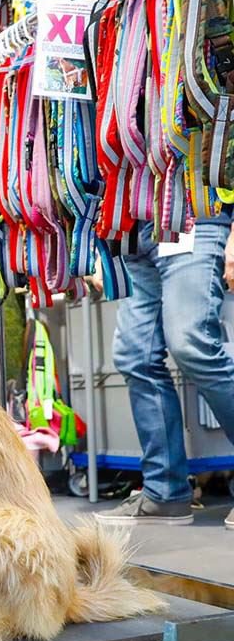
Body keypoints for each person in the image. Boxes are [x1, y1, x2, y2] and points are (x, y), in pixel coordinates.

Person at [95, 208, 234, 528]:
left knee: (191, 343)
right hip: (132, 227)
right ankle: (164, 494)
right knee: (134, 356)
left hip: (192, 213)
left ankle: (164, 491)